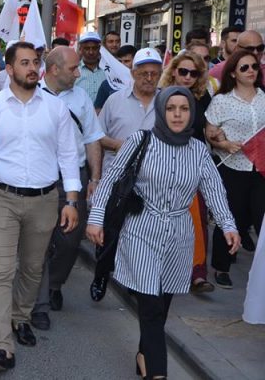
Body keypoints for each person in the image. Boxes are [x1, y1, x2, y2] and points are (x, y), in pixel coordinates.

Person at [87, 86, 240, 380]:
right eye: (171, 108)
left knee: (162, 305)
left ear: (192, 113)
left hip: (180, 237)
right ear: (161, 111)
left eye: (184, 108)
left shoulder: (198, 151)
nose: (178, 114)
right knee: (151, 307)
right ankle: (158, 373)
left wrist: (229, 226)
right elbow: (110, 181)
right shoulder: (140, 140)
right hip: (141, 230)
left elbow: (214, 191)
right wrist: (95, 218)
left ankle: (144, 355)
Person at [0, 41, 80, 373]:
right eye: (24, 62)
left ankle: (21, 317)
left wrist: (72, 200)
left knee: (33, 268)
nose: (32, 68)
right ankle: (2, 345)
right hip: (1, 197)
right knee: (2, 271)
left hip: (45, 199)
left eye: (35, 62)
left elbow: (67, 156)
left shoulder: (55, 108)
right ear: (9, 69)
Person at [31, 46, 104, 331]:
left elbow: (93, 138)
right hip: (41, 178)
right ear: (54, 69)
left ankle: (55, 283)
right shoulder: (33, 95)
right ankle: (40, 299)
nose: (78, 73)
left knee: (69, 241)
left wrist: (94, 179)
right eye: (73, 68)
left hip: (73, 178)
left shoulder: (81, 97)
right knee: (39, 241)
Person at [91, 47, 162, 301]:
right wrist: (122, 146)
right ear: (133, 73)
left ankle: (137, 279)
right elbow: (97, 137)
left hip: (153, 181)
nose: (149, 78)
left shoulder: (167, 102)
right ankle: (101, 274)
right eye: (144, 73)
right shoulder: (115, 100)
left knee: (142, 235)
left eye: (154, 73)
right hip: (118, 179)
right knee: (111, 232)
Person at [205, 49, 265, 287]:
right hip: (231, 167)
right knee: (230, 217)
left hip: (260, 169)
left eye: (254, 66)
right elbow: (210, 133)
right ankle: (222, 266)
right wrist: (223, 143)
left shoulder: (264, 96)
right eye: (245, 68)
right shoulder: (222, 101)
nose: (251, 70)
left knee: (261, 219)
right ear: (233, 73)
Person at [158, 50, 216, 293]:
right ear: (173, 71)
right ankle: (159, 268)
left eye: (194, 73)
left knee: (197, 218)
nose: (188, 77)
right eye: (183, 71)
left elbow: (210, 129)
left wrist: (220, 137)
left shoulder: (204, 99)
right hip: (164, 163)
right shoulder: (160, 96)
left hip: (195, 163)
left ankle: (197, 273)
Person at [94, 44, 137, 112]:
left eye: (126, 61)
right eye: (119, 61)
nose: (122, 65)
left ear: (135, 62)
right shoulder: (107, 84)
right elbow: (98, 111)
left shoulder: (142, 84)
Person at [75, 31, 106, 103]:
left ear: (99, 49)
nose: (91, 52)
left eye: (94, 48)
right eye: (87, 48)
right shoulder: (74, 70)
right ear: (80, 49)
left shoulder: (108, 70)